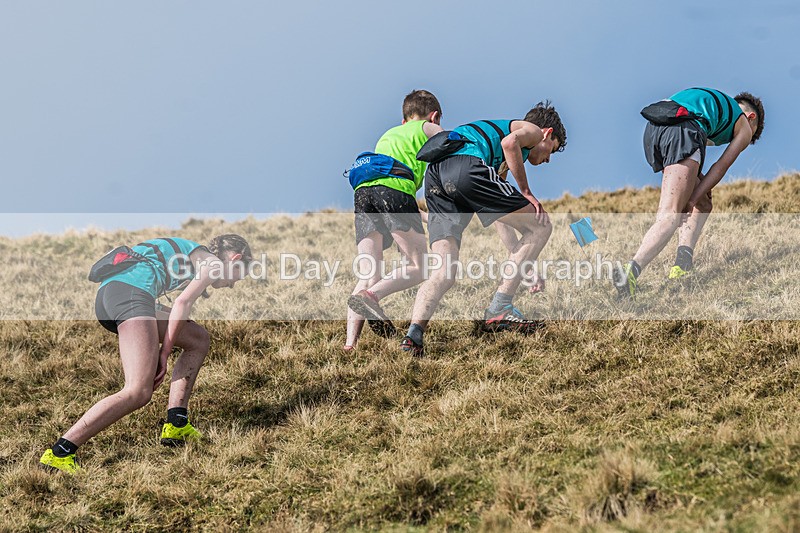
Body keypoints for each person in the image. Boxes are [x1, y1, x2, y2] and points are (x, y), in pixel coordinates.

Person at [39, 234, 252, 473]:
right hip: (130, 295)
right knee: (138, 391)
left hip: (116, 295)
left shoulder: (193, 256)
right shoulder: (213, 264)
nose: (233, 284)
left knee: (197, 338)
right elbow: (182, 304)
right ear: (235, 259)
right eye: (238, 276)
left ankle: (177, 423)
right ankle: (60, 452)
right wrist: (164, 353)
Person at [400, 102, 568, 357]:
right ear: (546, 133)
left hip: (435, 177)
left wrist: (521, 259)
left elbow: (497, 214)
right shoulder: (531, 131)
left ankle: (413, 335)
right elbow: (510, 144)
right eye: (551, 150)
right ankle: (500, 307)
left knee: (444, 271)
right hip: (465, 166)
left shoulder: (495, 166)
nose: (547, 159)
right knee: (541, 226)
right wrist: (526, 192)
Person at [615, 88, 765, 298]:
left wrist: (698, 192)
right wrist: (691, 198)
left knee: (703, 204)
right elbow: (720, 167)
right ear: (751, 117)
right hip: (683, 129)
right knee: (671, 214)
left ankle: (683, 264)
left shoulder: (714, 105)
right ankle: (629, 271)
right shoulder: (744, 126)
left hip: (654, 129)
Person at [344, 90, 443, 351]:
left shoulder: (387, 136)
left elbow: (386, 191)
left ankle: (350, 345)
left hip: (363, 192)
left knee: (369, 272)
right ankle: (371, 296)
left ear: (403, 119)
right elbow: (448, 141)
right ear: (433, 117)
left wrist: (422, 216)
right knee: (419, 267)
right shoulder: (426, 127)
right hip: (395, 190)